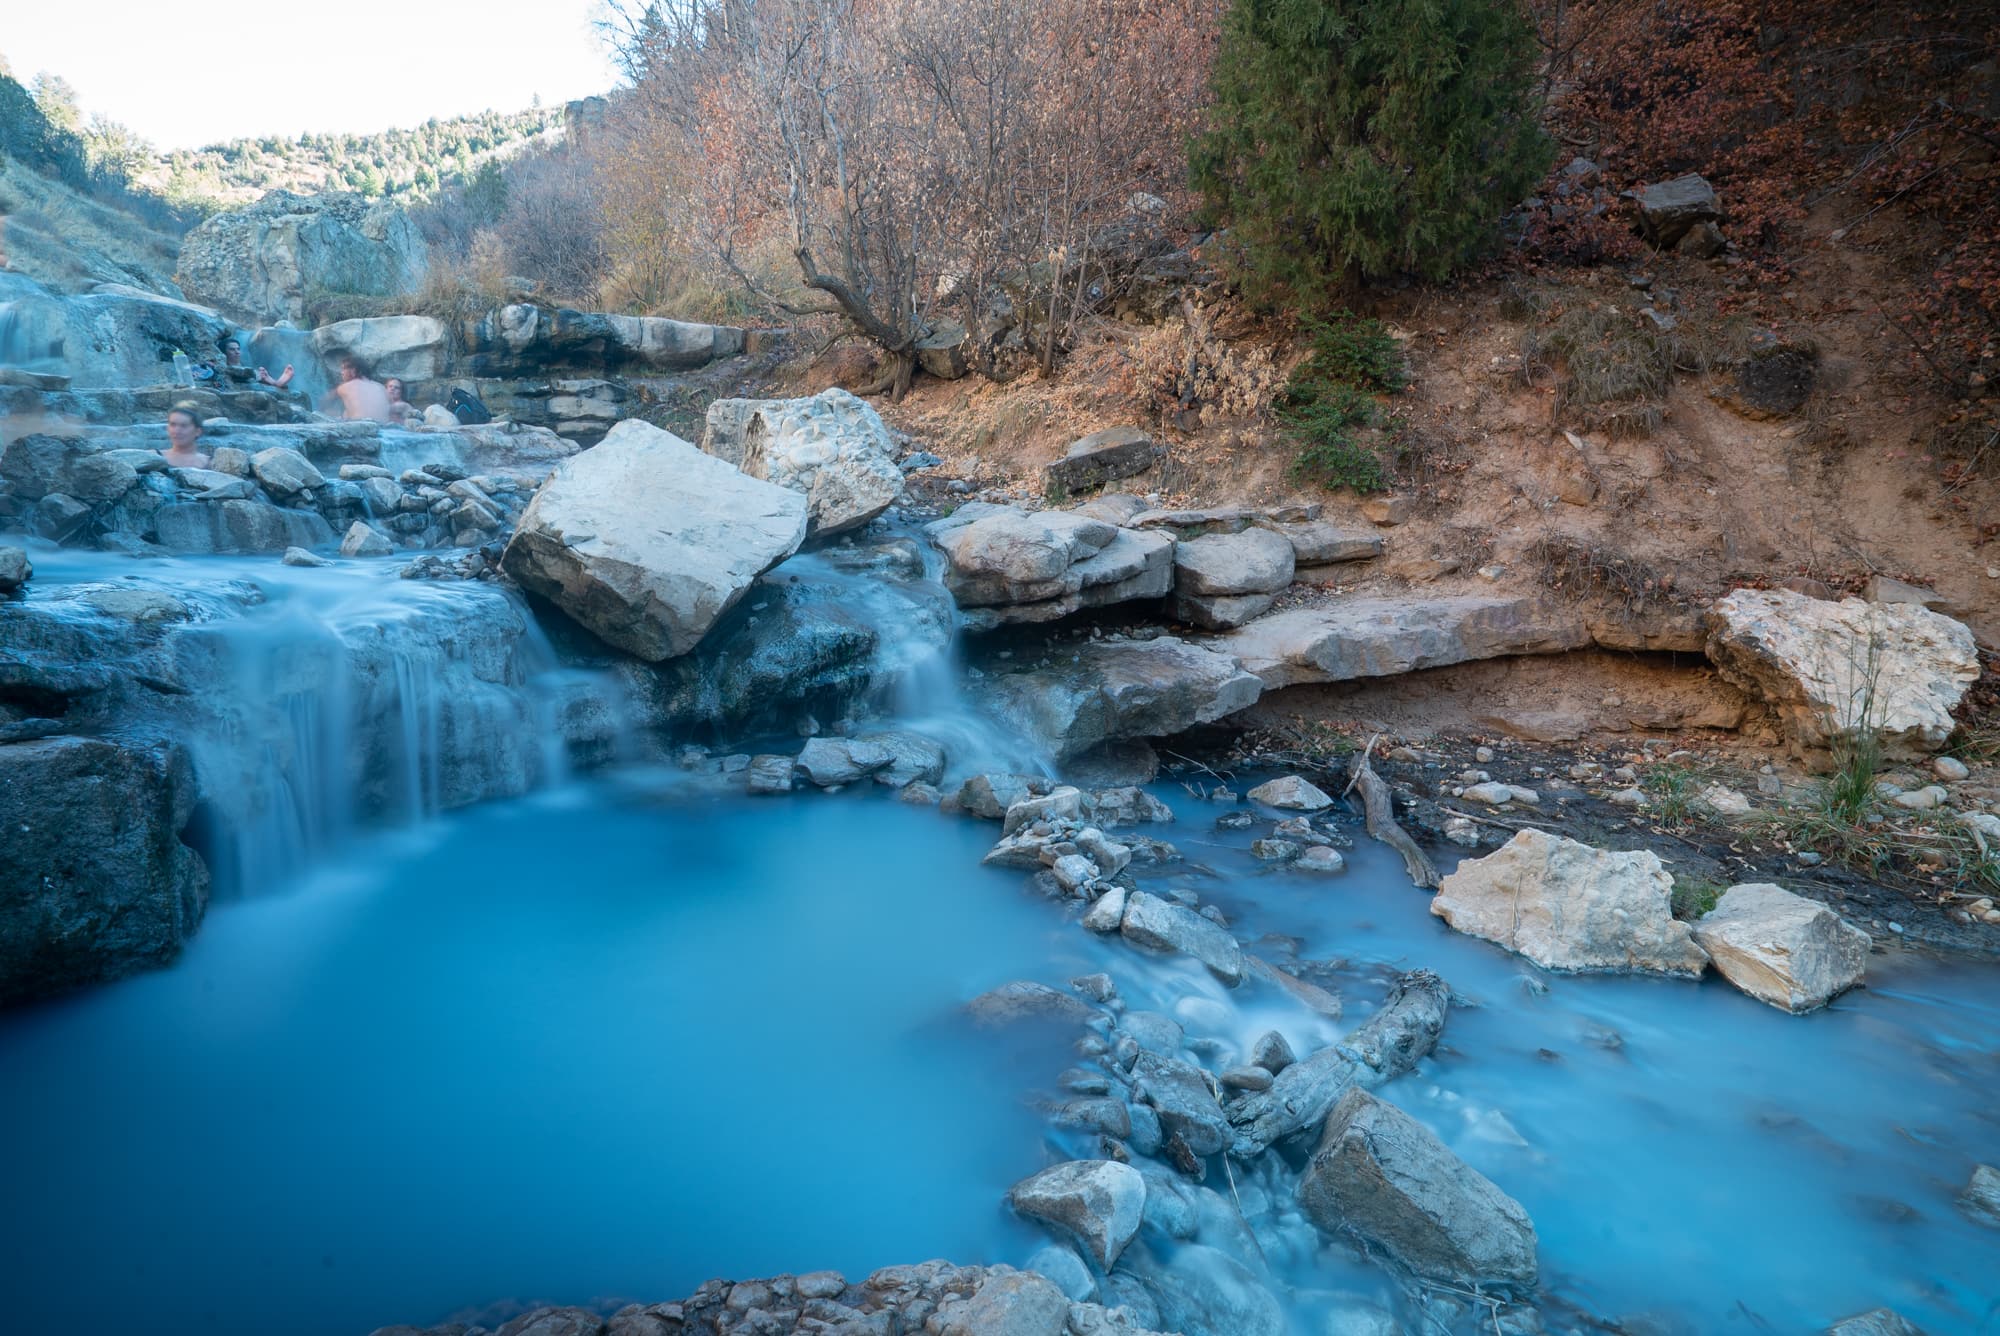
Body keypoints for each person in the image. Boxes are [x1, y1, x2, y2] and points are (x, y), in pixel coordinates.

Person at [329, 356, 397, 423]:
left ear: (353, 370)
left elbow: (322, 403)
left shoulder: (344, 387)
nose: (341, 372)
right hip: (386, 430)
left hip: (360, 428)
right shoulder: (382, 388)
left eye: (343, 369)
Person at [160, 402, 211, 468]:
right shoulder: (154, 457)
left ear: (197, 431)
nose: (177, 431)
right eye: (173, 425)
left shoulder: (209, 463)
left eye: (184, 426)